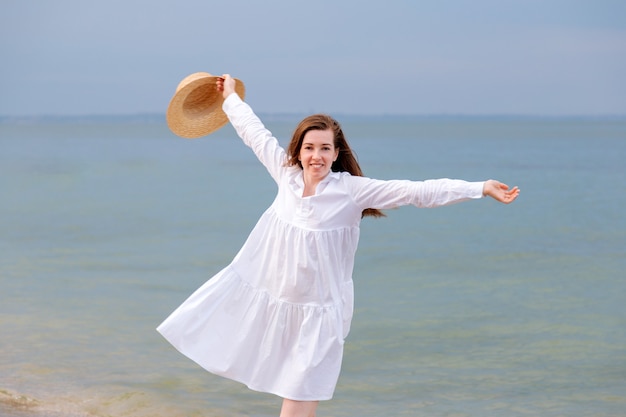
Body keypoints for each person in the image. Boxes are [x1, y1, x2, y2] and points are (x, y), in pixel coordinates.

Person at [157, 74, 520, 417]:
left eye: (325, 149)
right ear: (297, 151)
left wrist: (479, 187)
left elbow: (417, 191)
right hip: (275, 302)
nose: (316, 156)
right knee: (294, 397)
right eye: (309, 147)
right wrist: (232, 97)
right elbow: (254, 133)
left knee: (299, 398)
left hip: (320, 313)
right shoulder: (287, 177)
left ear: (335, 153)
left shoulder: (351, 191)